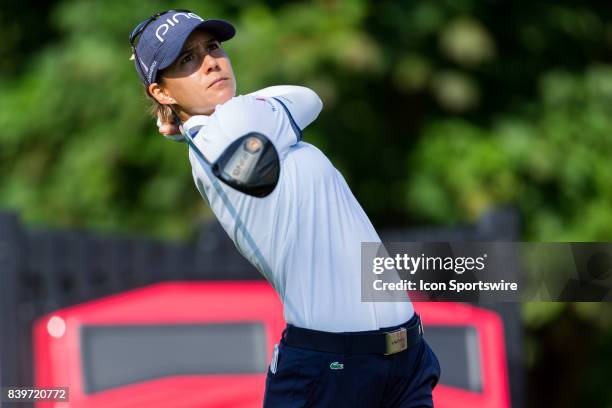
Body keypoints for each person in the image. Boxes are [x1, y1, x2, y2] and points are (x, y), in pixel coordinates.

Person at [129, 9, 440, 407]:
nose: (210, 62)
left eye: (212, 47)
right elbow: (302, 100)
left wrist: (189, 124)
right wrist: (259, 114)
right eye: (187, 60)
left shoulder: (230, 124)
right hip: (331, 372)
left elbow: (311, 99)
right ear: (162, 92)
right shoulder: (230, 125)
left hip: (403, 363)